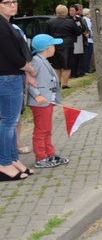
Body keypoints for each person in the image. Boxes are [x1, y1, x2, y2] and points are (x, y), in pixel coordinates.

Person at [0, 0, 37, 181]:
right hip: (7, 78)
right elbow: (12, 56)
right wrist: (29, 69)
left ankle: (12, 159)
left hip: (12, 77)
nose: (12, 5)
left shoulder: (8, 24)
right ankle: (4, 163)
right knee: (8, 123)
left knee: (11, 122)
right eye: (7, 2)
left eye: (14, 2)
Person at [27, 34, 70, 169]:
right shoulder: (36, 61)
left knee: (47, 129)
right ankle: (41, 157)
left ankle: (49, 153)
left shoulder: (43, 60)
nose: (54, 48)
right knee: (41, 130)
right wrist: (37, 95)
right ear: (47, 48)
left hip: (47, 101)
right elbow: (29, 80)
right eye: (53, 45)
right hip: (40, 102)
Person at [46, 4, 82, 89]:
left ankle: (58, 82)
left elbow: (46, 34)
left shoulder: (50, 22)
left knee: (56, 65)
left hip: (54, 44)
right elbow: (78, 32)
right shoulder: (70, 22)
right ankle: (65, 84)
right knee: (67, 65)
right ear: (66, 12)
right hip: (67, 45)